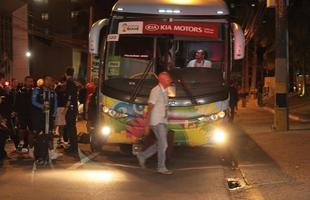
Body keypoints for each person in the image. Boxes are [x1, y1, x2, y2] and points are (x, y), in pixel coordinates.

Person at [137, 72, 173, 175]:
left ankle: (142, 155)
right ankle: (161, 167)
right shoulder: (155, 91)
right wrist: (147, 124)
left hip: (163, 121)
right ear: (161, 80)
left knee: (160, 144)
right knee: (164, 144)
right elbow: (150, 107)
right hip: (156, 121)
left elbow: (164, 106)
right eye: (167, 79)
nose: (170, 81)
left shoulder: (165, 90)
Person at [32, 75, 58, 162]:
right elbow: (33, 101)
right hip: (38, 116)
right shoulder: (37, 90)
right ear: (44, 80)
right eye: (47, 80)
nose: (49, 82)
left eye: (50, 80)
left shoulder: (53, 92)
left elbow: (55, 104)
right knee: (37, 134)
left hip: (49, 117)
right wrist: (41, 106)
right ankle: (34, 150)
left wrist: (53, 116)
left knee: (50, 134)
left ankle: (51, 152)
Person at [16, 76, 34, 154]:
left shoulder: (34, 92)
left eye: (31, 81)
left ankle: (30, 147)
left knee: (31, 131)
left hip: (31, 114)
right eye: (28, 81)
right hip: (22, 114)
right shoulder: (20, 91)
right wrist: (16, 113)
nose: (30, 83)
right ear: (25, 82)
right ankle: (21, 142)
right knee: (22, 130)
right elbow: (16, 103)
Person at [63, 67, 79, 156]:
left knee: (71, 127)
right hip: (74, 107)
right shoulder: (73, 82)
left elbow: (69, 96)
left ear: (66, 74)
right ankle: (73, 146)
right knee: (72, 127)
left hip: (71, 108)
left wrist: (66, 108)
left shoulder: (69, 83)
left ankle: (73, 147)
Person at [54, 77, 67, 147]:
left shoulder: (66, 88)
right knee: (56, 124)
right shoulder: (58, 88)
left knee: (62, 125)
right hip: (59, 107)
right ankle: (56, 137)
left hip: (63, 108)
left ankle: (60, 138)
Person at [0, 72, 10, 164]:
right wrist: (3, 118)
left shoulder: (3, 89)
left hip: (2, 116)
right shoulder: (1, 90)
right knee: (2, 136)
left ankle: (2, 153)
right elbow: (3, 105)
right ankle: (1, 154)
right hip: (1, 116)